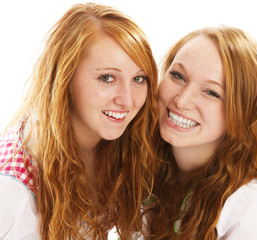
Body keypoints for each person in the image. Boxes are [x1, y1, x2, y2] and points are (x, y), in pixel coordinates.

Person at [0, 3, 158, 239]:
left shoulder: (122, 141)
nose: (127, 100)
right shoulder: (12, 191)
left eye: (138, 78)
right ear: (64, 77)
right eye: (107, 78)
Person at [143, 26, 257, 239]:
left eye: (211, 92)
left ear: (241, 113)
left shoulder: (251, 204)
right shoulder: (143, 164)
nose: (182, 100)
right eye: (178, 75)